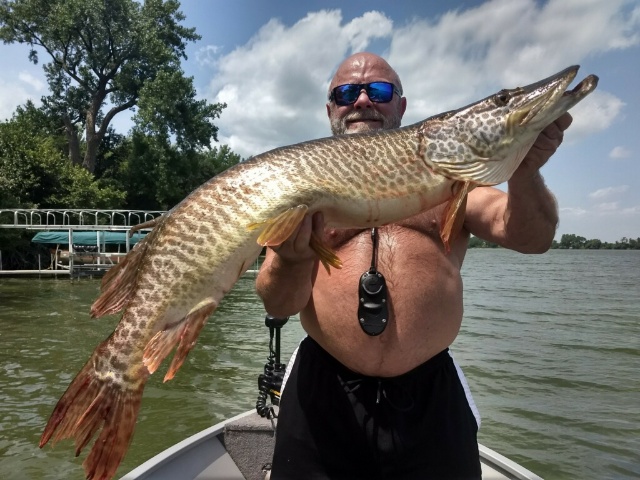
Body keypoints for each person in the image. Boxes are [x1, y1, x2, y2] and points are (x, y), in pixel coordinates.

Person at [256, 52, 570, 479]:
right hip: (323, 391)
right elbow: (279, 302)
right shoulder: (299, 184)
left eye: (380, 91)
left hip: (429, 398)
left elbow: (532, 237)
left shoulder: (457, 178)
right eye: (347, 92)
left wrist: (525, 170)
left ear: (401, 106)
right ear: (331, 108)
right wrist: (292, 258)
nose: (363, 100)